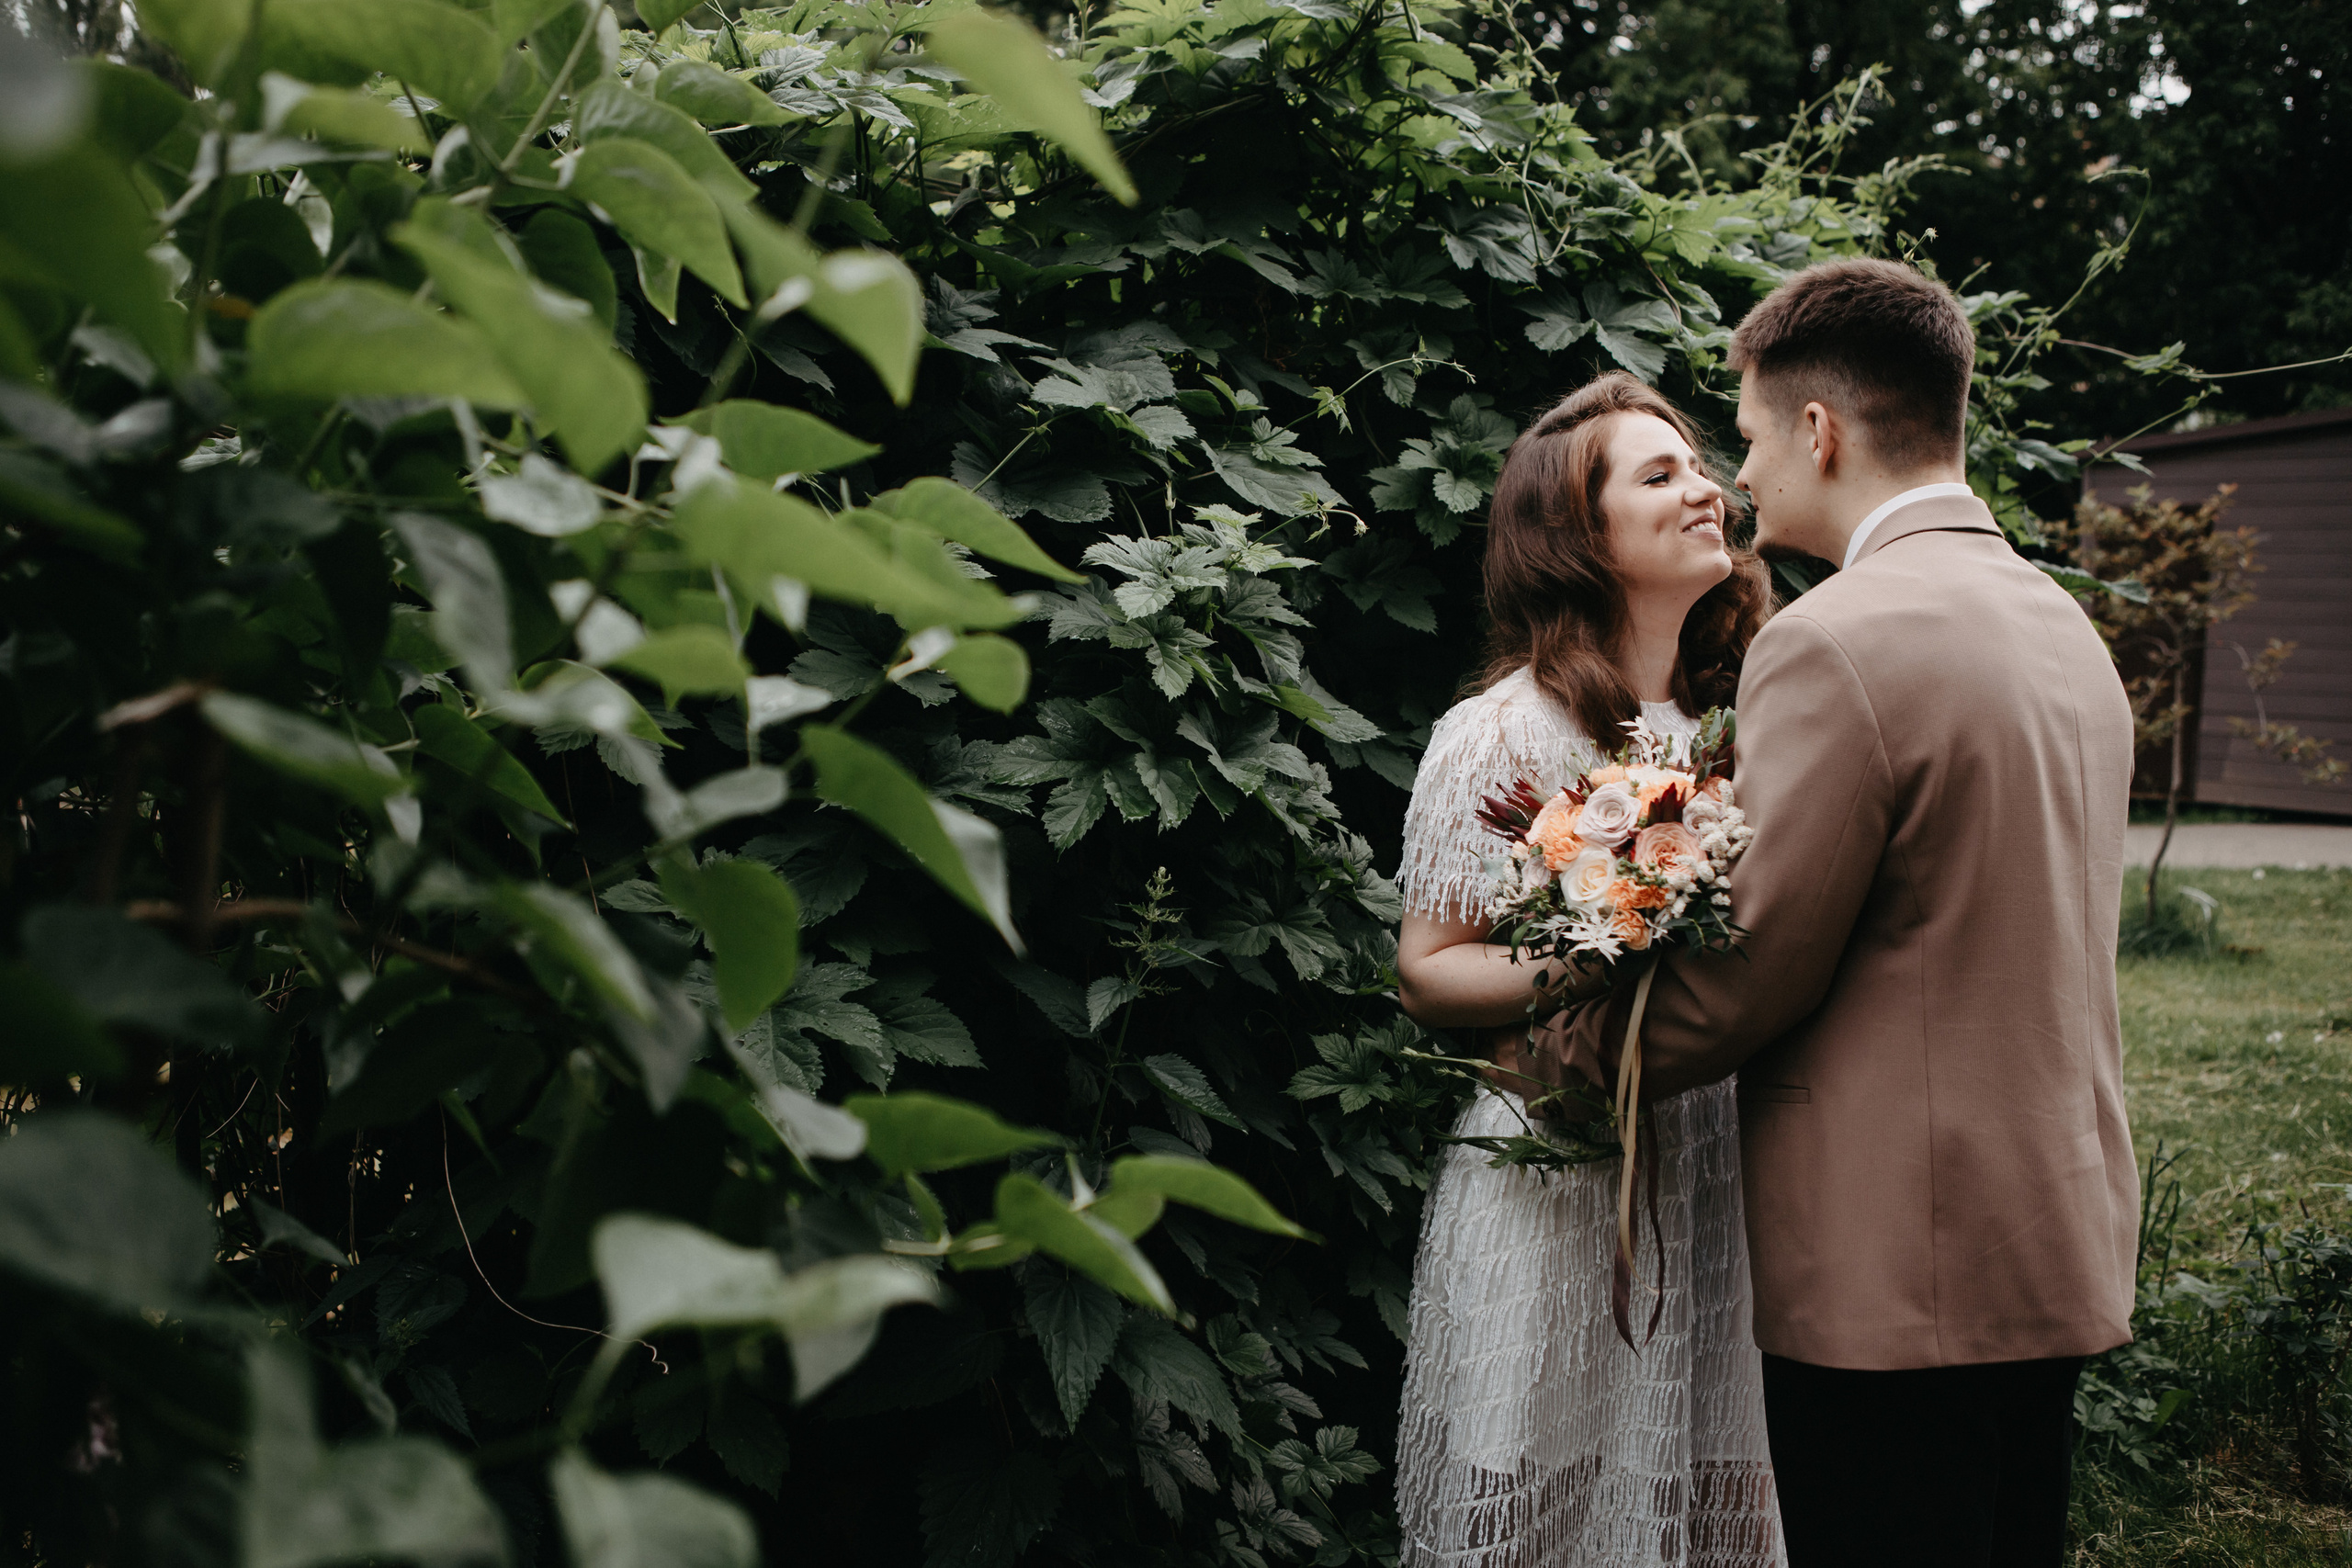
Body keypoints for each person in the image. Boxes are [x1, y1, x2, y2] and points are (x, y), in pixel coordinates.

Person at [1534, 257, 2139, 1567]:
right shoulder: (2061, 624)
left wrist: (1556, 1056)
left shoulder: (1834, 639)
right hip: (2052, 1234)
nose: (1741, 476)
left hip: (1895, 1266)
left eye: (1750, 437)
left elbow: (1755, 970)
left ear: (1819, 430)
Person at [1393, 371, 1785, 1567]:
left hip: (1722, 1162)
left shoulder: (1750, 718)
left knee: (1721, 1494)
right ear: (1579, 534)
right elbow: (1430, 973)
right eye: (1660, 475)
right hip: (1563, 1173)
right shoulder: (1502, 733)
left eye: (1699, 465)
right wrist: (1601, 938)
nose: (1706, 490)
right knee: (1541, 1507)